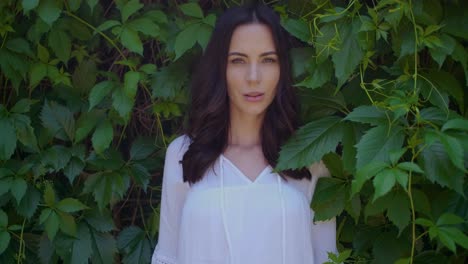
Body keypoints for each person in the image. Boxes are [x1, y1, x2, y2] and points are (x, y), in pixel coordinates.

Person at [151, 4, 337, 264]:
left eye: (267, 60)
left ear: (282, 69)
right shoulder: (185, 155)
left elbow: (328, 259)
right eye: (238, 60)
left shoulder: (309, 157)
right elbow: (168, 257)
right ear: (220, 69)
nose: (253, 77)